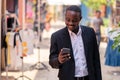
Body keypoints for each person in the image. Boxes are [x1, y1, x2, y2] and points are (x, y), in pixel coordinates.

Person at [49, 5, 102, 80]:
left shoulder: (90, 32)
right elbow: (51, 61)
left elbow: (96, 59)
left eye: (74, 20)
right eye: (68, 19)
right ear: (65, 18)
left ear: (80, 19)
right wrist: (59, 60)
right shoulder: (56, 36)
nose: (70, 23)